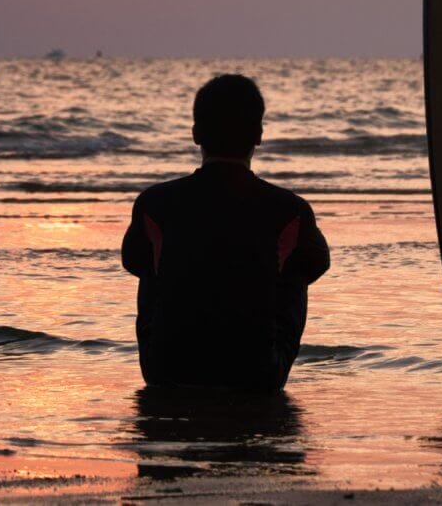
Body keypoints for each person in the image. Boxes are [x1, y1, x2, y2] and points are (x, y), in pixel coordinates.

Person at [121, 74, 330, 390]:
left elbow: (133, 262)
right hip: (257, 372)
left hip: (167, 369)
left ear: (195, 134)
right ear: (258, 135)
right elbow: (317, 264)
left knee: (154, 266)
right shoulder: (290, 208)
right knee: (294, 268)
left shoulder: (155, 202)